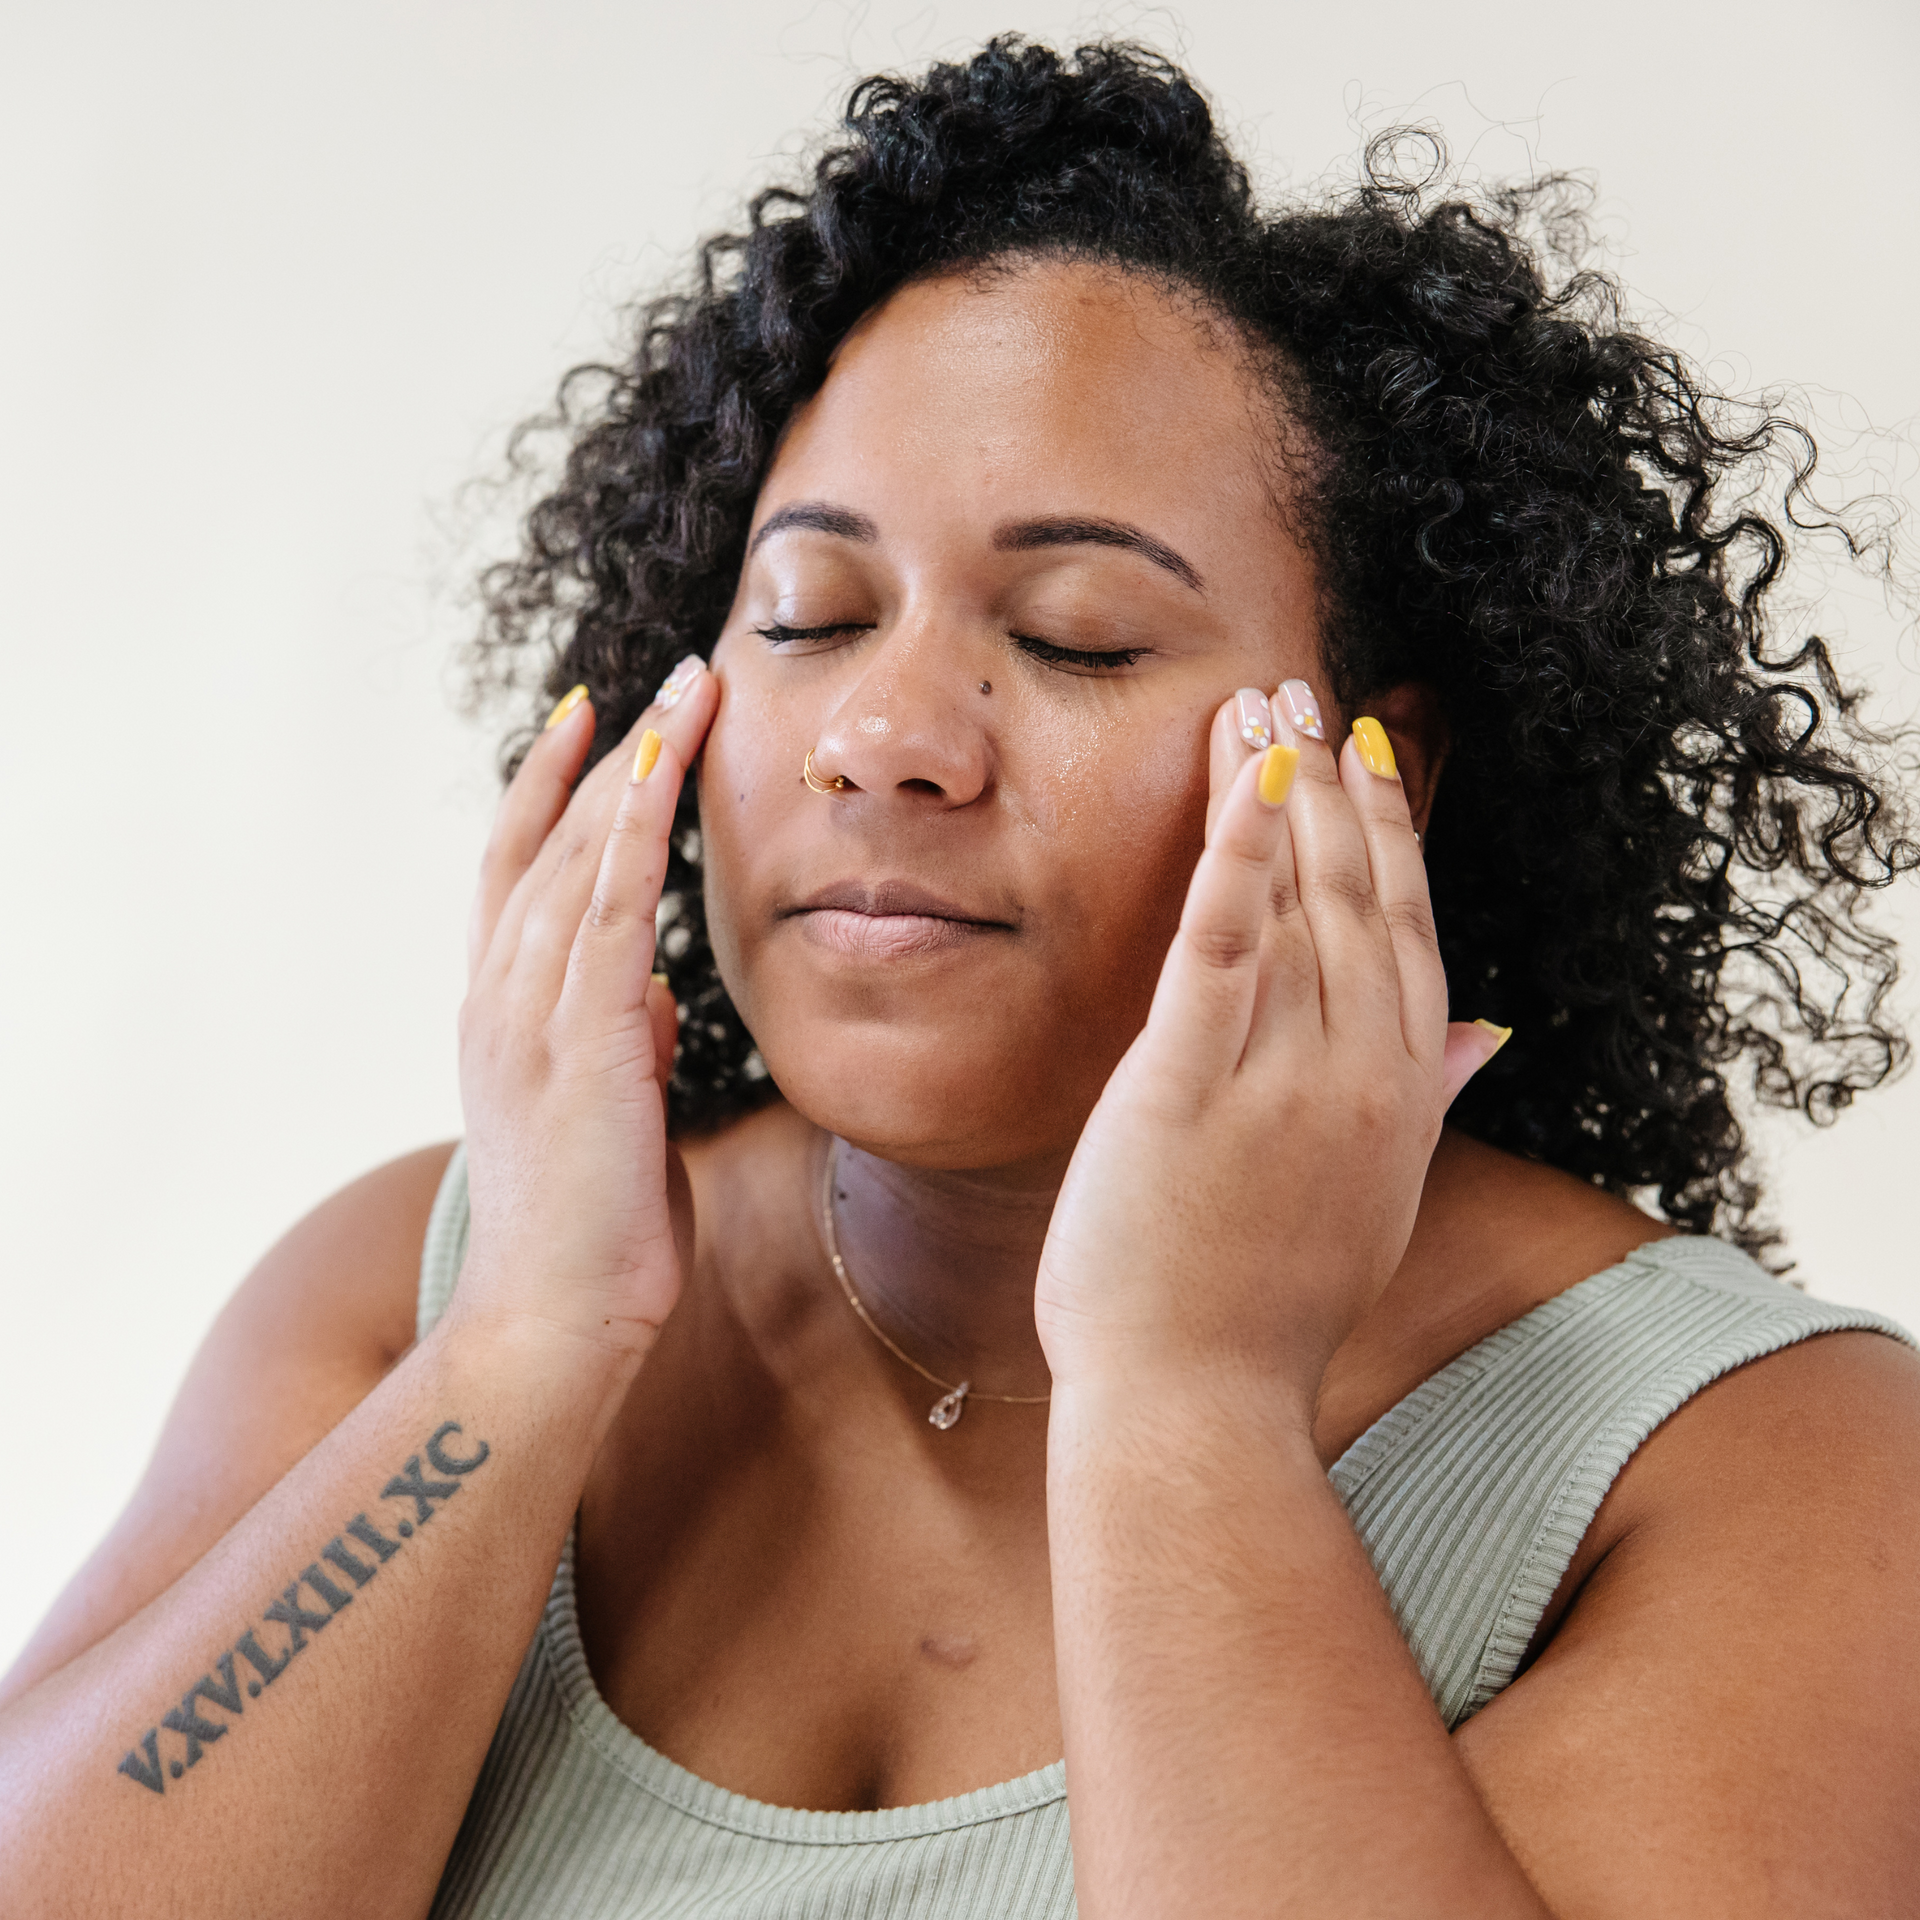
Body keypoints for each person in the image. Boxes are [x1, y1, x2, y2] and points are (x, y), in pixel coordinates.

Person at [3, 36, 1917, 1919]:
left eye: (1078, 638)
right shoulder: (416, 1293)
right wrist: (521, 1352)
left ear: (1376, 770)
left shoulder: (1764, 1472)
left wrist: (1188, 1403)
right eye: (813, 616)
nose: (885, 735)